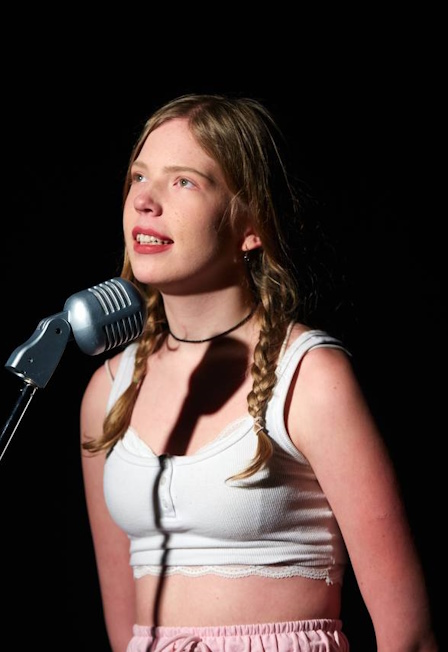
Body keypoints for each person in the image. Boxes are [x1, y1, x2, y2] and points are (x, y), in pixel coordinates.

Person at [80, 93, 438, 652]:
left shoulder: (310, 377)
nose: (144, 201)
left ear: (251, 224)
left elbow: (408, 636)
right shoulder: (107, 390)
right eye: (138, 177)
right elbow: (123, 631)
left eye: (184, 181)